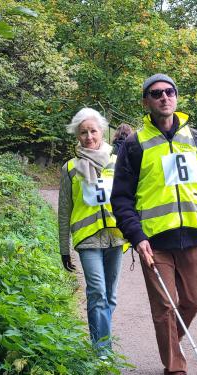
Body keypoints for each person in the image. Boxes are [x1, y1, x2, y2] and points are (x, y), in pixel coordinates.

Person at [111, 74, 197, 375]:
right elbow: (122, 199)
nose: (163, 98)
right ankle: (175, 374)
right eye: (155, 94)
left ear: (176, 97)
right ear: (146, 102)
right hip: (154, 242)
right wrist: (137, 236)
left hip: (193, 237)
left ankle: (172, 344)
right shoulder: (135, 144)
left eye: (169, 92)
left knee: (193, 300)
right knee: (164, 307)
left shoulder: (195, 138)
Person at [58, 107, 126, 355]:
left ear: (102, 132)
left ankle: (101, 340)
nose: (88, 137)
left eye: (93, 131)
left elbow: (129, 200)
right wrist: (63, 249)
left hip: (115, 238)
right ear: (77, 135)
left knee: (111, 297)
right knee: (97, 292)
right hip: (87, 239)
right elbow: (64, 211)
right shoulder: (70, 168)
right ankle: (102, 351)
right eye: (83, 132)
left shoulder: (117, 163)